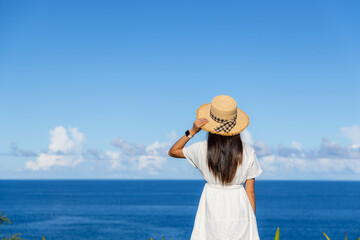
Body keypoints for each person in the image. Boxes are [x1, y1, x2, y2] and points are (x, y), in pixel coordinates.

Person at [168, 95, 263, 240]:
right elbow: (250, 192)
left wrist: (192, 132)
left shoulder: (202, 149)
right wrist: (250, 220)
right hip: (239, 206)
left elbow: (173, 151)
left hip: (212, 204)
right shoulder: (248, 152)